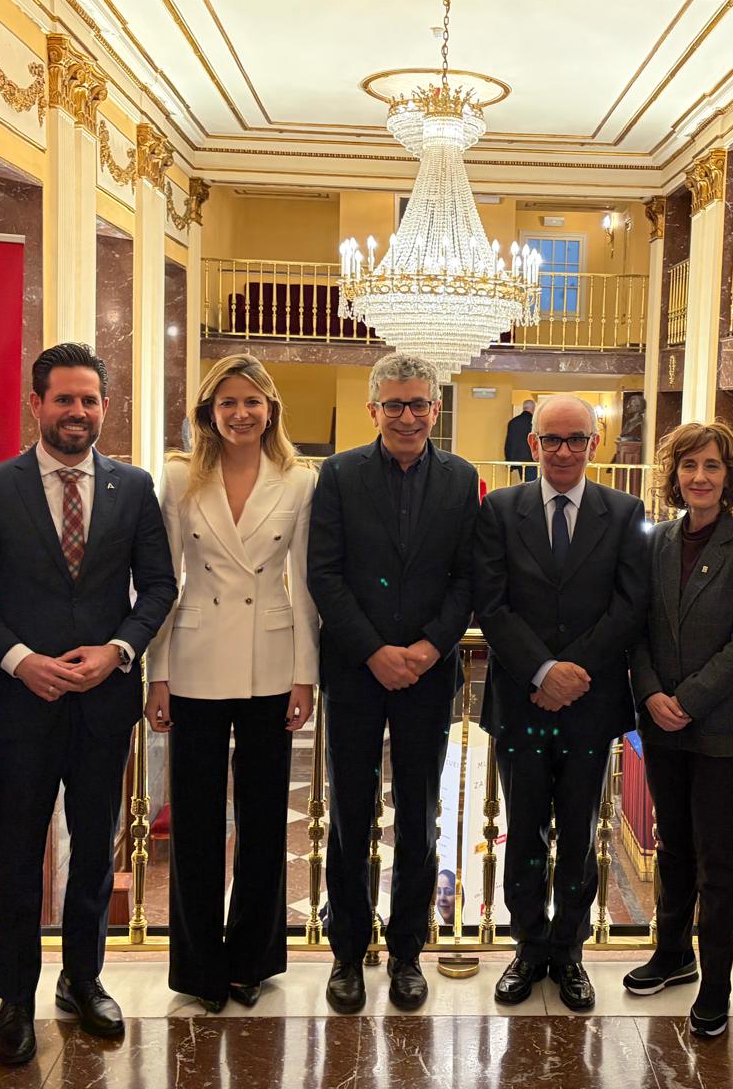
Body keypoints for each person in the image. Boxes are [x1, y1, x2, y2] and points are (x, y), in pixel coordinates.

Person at [0, 343, 176, 1065]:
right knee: (20, 854)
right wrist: (22, 662)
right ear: (37, 404)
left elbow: (158, 588)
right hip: (22, 703)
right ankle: (15, 998)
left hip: (103, 702)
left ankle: (83, 982)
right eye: (64, 399)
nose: (77, 412)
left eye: (89, 400)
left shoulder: (133, 486)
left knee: (94, 850)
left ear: (105, 408)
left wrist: (119, 651)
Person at [144, 354, 319, 1014]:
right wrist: (156, 673)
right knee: (194, 818)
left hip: (272, 662)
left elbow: (302, 584)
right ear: (209, 413)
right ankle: (197, 967)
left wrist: (307, 673)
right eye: (228, 403)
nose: (241, 413)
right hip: (193, 658)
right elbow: (164, 580)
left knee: (265, 817)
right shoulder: (180, 475)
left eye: (252, 401)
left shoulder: (297, 481)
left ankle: (253, 960)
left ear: (270, 408)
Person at [307, 352, 479, 1014]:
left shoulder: (462, 480)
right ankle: (348, 953)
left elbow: (468, 577)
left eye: (419, 404)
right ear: (372, 409)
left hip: (429, 675)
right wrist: (376, 650)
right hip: (356, 671)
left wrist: (431, 646)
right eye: (395, 404)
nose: (407, 416)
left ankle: (408, 951)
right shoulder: (339, 475)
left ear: (436, 410)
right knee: (351, 815)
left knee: (420, 816)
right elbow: (325, 573)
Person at [474, 394, 650, 1011]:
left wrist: (574, 672)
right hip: (521, 701)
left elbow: (631, 605)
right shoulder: (498, 510)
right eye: (553, 440)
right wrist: (543, 671)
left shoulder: (626, 512)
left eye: (576, 439)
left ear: (594, 444)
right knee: (523, 830)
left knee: (578, 830)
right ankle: (528, 947)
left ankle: (570, 951)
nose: (565, 451)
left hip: (590, 702)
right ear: (532, 445)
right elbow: (490, 604)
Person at [625, 420, 733, 1038]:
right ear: (674, 476)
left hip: (725, 731)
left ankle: (716, 984)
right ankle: (672, 953)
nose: (699, 478)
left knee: (718, 860)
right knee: (674, 847)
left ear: (728, 477)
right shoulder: (654, 542)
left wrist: (687, 698)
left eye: (711, 467)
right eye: (689, 467)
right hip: (663, 727)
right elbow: (636, 629)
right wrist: (653, 694)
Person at [505, 398, 537, 481]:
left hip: (517, 459)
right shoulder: (534, 422)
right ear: (533, 408)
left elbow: (509, 443)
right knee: (533, 484)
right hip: (532, 460)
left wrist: (509, 460)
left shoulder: (513, 422)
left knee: (524, 483)